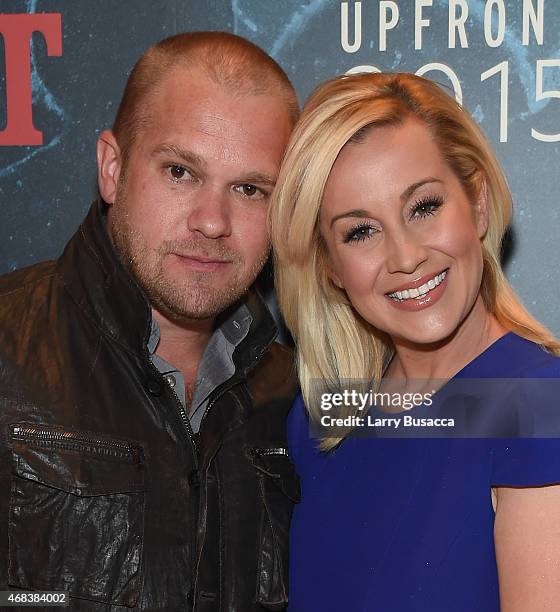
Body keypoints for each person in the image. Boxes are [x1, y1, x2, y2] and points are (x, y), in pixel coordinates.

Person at [0, 32, 300, 611]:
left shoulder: (298, 399)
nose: (213, 221)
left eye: (249, 188)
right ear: (112, 168)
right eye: (181, 172)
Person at [270, 71, 560, 611]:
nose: (405, 258)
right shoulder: (324, 420)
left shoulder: (538, 404)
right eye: (361, 231)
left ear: (476, 203)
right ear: (330, 266)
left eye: (423, 207)